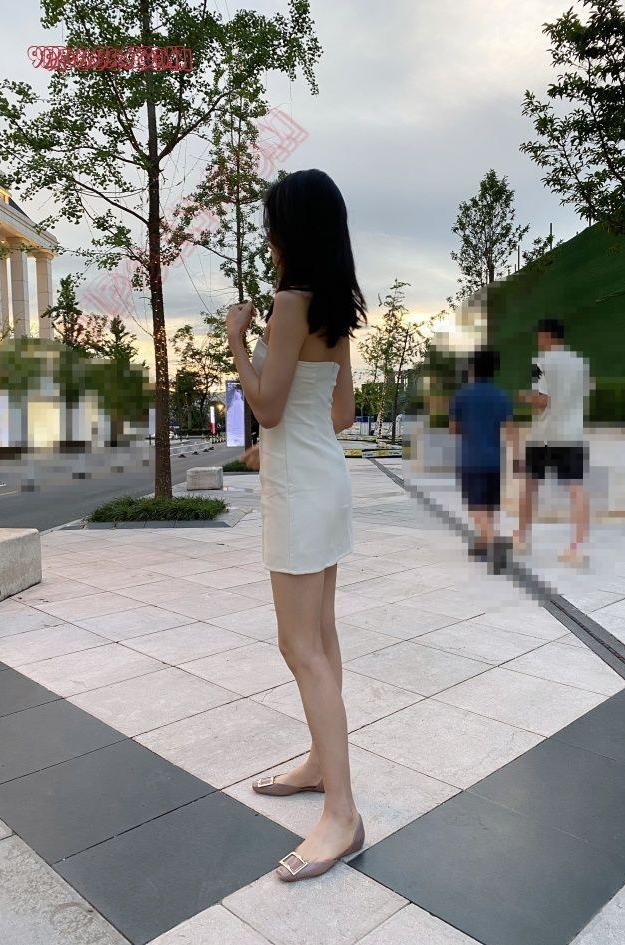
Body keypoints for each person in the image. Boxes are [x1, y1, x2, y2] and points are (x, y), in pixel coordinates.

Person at [226, 169, 366, 883]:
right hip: (325, 479)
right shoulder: (335, 308)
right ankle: (320, 766)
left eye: (272, 225)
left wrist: (236, 341)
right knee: (322, 637)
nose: (269, 237)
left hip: (299, 491)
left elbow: (268, 406)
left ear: (289, 232)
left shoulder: (288, 305)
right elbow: (339, 413)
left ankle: (342, 813)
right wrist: (276, 441)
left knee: (298, 644)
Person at [513, 317, 591, 566]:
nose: (538, 341)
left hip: (545, 435)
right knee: (577, 488)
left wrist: (524, 397)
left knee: (529, 485)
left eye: (539, 336)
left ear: (547, 336)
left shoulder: (542, 362)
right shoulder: (580, 364)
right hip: (572, 433)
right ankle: (577, 548)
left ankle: (521, 538)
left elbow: (542, 400)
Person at [449, 347, 517, 567]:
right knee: (489, 504)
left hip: (472, 460)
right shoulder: (501, 396)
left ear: (472, 368)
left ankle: (493, 542)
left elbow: (454, 429)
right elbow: (510, 430)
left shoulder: (462, 395)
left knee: (476, 506)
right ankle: (482, 541)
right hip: (495, 461)